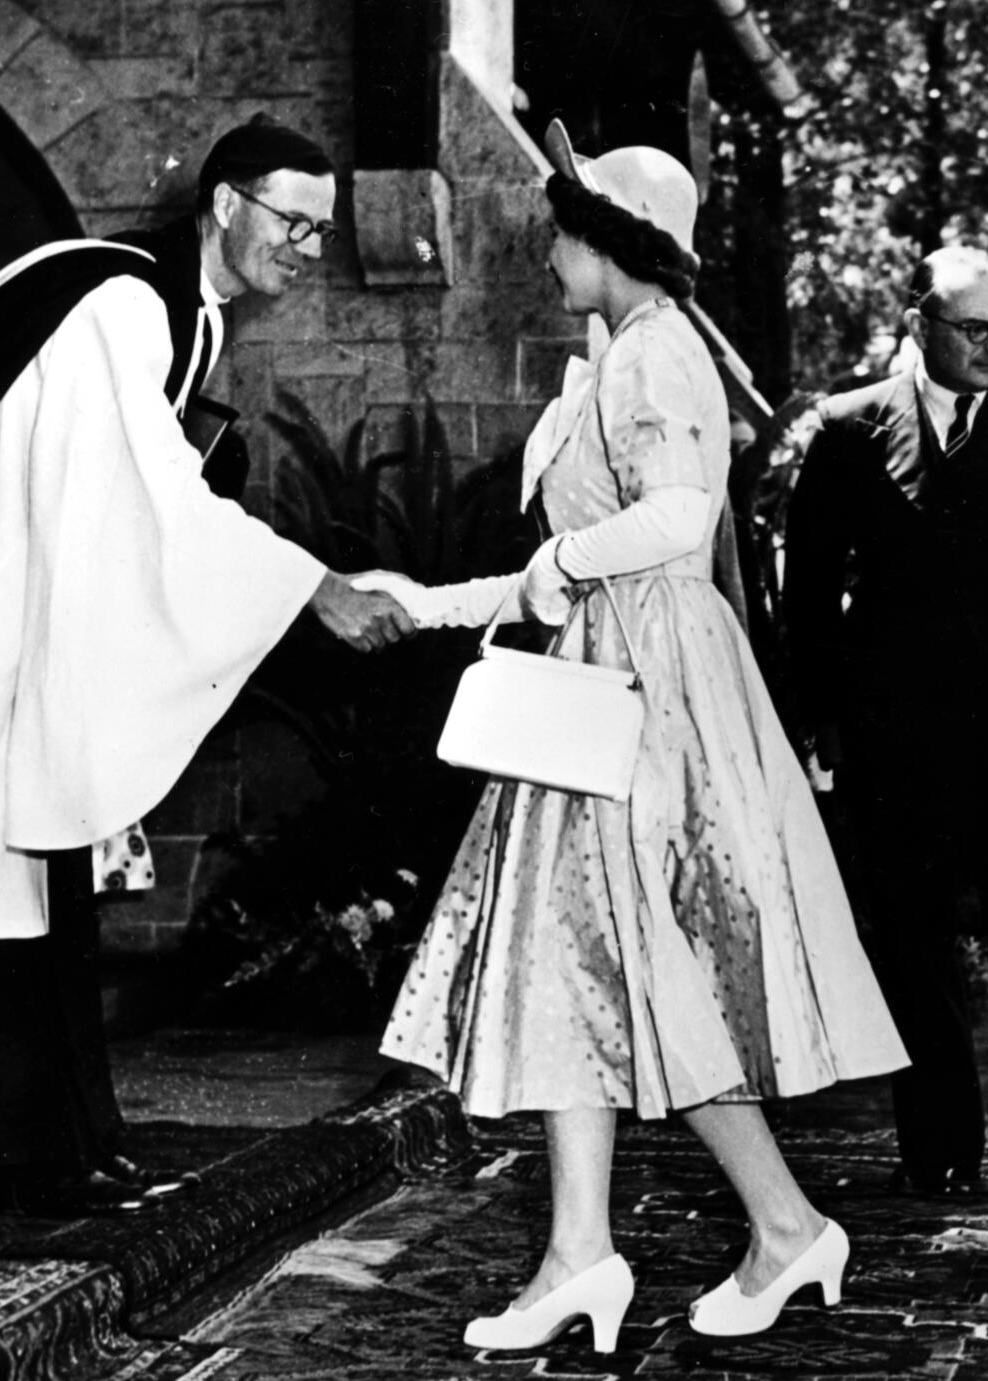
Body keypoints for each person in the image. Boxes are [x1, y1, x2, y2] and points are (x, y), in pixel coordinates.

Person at [367, 120, 906, 1354]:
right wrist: (430, 601)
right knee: (575, 957)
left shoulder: (662, 356)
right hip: (601, 671)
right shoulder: (617, 355)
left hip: (649, 684)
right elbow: (563, 564)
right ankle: (583, 1253)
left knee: (638, 958)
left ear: (613, 241)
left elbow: (677, 513)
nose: (550, 251)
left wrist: (556, 563)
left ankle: (773, 1224)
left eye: (564, 230)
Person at [0, 115, 413, 1216]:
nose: (304, 247)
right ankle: (4, 1162)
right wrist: (311, 586)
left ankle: (56, 1142)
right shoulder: (123, 300)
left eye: (319, 231)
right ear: (226, 204)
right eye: (290, 221)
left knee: (30, 897)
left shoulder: (155, 299)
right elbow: (155, 498)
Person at [782, 246, 988, 1208]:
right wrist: (824, 724)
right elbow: (807, 590)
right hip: (901, 738)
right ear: (920, 323)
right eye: (973, 329)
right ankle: (941, 1153)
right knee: (915, 946)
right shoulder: (850, 428)